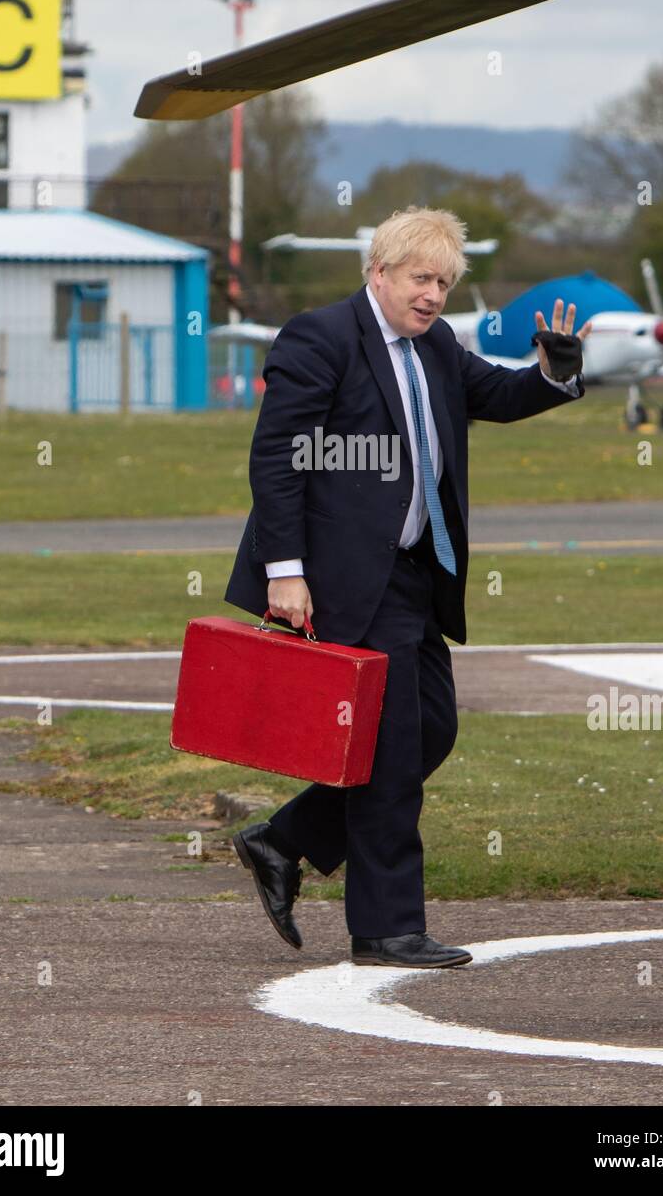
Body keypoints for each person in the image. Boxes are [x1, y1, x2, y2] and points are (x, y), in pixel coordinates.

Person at [225, 206, 590, 968]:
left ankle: (283, 840)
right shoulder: (320, 337)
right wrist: (284, 573)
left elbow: (503, 395)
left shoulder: (438, 350)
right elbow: (277, 460)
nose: (433, 295)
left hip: (419, 576)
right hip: (346, 581)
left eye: (445, 283)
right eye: (421, 278)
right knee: (391, 755)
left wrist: (555, 370)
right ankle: (387, 929)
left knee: (433, 730)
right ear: (379, 272)